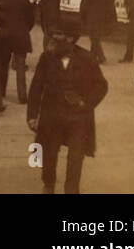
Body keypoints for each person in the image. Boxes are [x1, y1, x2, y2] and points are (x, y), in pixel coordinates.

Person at [27, 17, 107, 194]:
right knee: (48, 152)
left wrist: (86, 103)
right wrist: (32, 116)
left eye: (58, 35)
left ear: (71, 38)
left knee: (76, 157)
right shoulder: (47, 57)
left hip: (78, 117)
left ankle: (71, 190)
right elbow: (36, 87)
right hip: (52, 116)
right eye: (53, 34)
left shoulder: (87, 58)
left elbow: (102, 85)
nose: (53, 38)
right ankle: (48, 184)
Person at [0, 0, 36, 104]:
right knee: (20, 66)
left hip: (6, 35)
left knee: (3, 64)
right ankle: (22, 96)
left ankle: (2, 91)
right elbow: (30, 18)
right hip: (21, 35)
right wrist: (24, 29)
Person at [78, 0, 115, 64]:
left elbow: (83, 7)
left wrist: (82, 18)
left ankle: (101, 57)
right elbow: (110, 5)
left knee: (94, 38)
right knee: (96, 37)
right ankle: (93, 56)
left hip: (91, 19)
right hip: (102, 18)